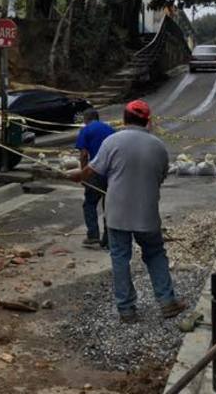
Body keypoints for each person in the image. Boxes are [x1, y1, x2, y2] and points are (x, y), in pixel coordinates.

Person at [67, 100, 186, 323]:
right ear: (148, 121)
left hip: (117, 213)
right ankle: (167, 301)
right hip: (147, 213)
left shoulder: (112, 142)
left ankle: (126, 310)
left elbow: (91, 171)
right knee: (155, 254)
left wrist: (77, 176)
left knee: (120, 259)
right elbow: (160, 177)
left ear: (124, 119)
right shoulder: (158, 146)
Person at [74, 109, 115, 249]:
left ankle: (93, 236)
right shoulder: (110, 129)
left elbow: (84, 154)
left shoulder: (86, 130)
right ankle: (108, 239)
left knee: (90, 203)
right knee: (108, 205)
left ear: (86, 119)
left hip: (96, 171)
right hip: (112, 173)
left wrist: (83, 175)